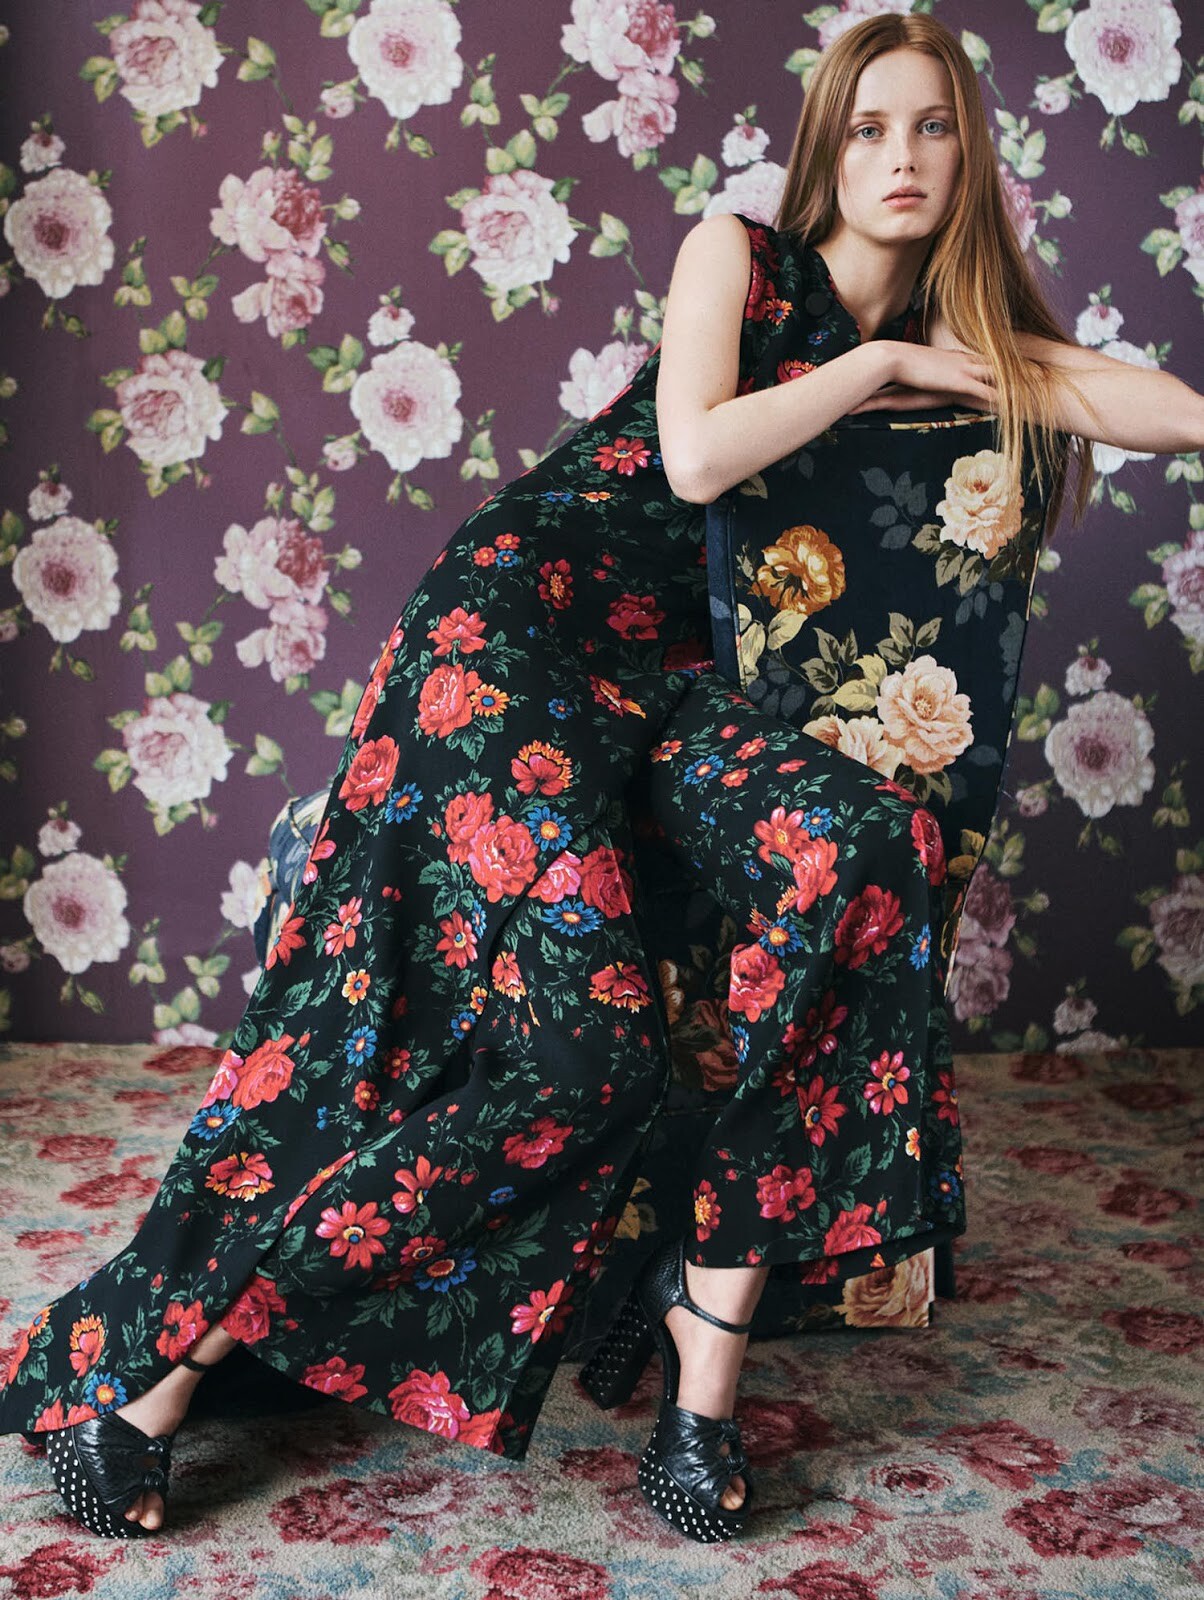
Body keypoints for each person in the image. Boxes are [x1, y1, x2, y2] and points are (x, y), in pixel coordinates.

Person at [3, 11, 1202, 1548]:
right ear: (828, 146)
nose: (901, 158)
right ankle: (160, 1372)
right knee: (579, 1061)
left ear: (971, 154)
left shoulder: (958, 335)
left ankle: (704, 1346)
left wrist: (976, 360)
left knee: (866, 847)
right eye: (869, 126)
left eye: (934, 129)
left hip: (670, 694)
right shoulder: (741, 259)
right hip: (519, 639)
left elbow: (1168, 411)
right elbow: (696, 459)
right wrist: (888, 366)